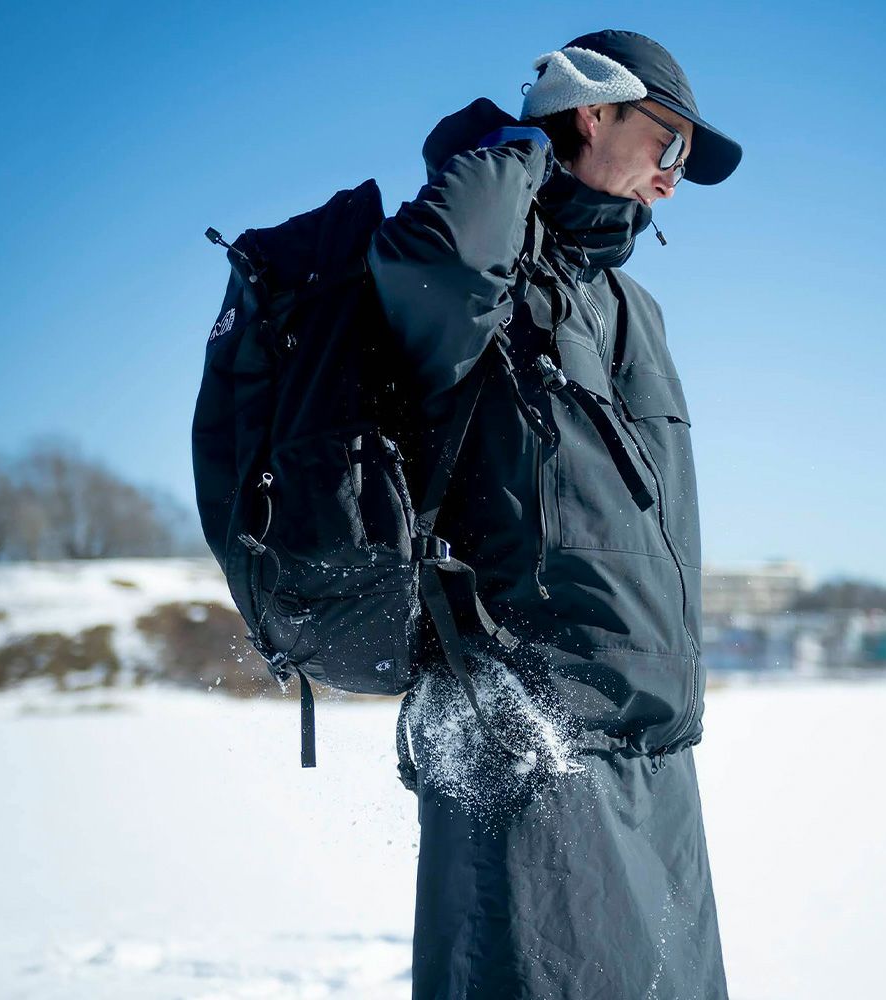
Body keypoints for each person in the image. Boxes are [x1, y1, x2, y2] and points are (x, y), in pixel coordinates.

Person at [369, 28, 742, 1000]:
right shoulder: (487, 270)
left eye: (686, 163)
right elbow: (434, 256)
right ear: (592, 110)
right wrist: (517, 141)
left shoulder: (632, 308)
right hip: (532, 748)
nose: (672, 178)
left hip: (656, 753)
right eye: (665, 144)